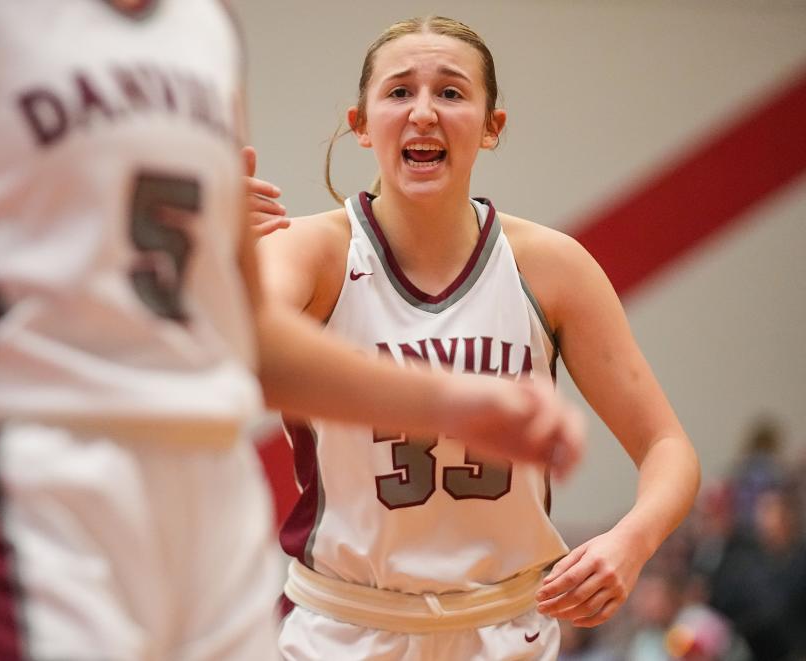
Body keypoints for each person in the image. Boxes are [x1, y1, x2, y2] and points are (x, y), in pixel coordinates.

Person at [0, 2, 585, 660]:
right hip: (30, 465)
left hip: (211, 484)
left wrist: (450, 404)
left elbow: (243, 332)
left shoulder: (206, 27)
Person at [250, 15, 700, 660]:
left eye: (452, 93)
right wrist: (211, 269)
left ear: (493, 128)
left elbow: (667, 446)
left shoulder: (553, 267)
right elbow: (236, 346)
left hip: (506, 628)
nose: (424, 112)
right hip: (342, 628)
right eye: (399, 92)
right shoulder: (310, 253)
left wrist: (632, 540)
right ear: (360, 124)